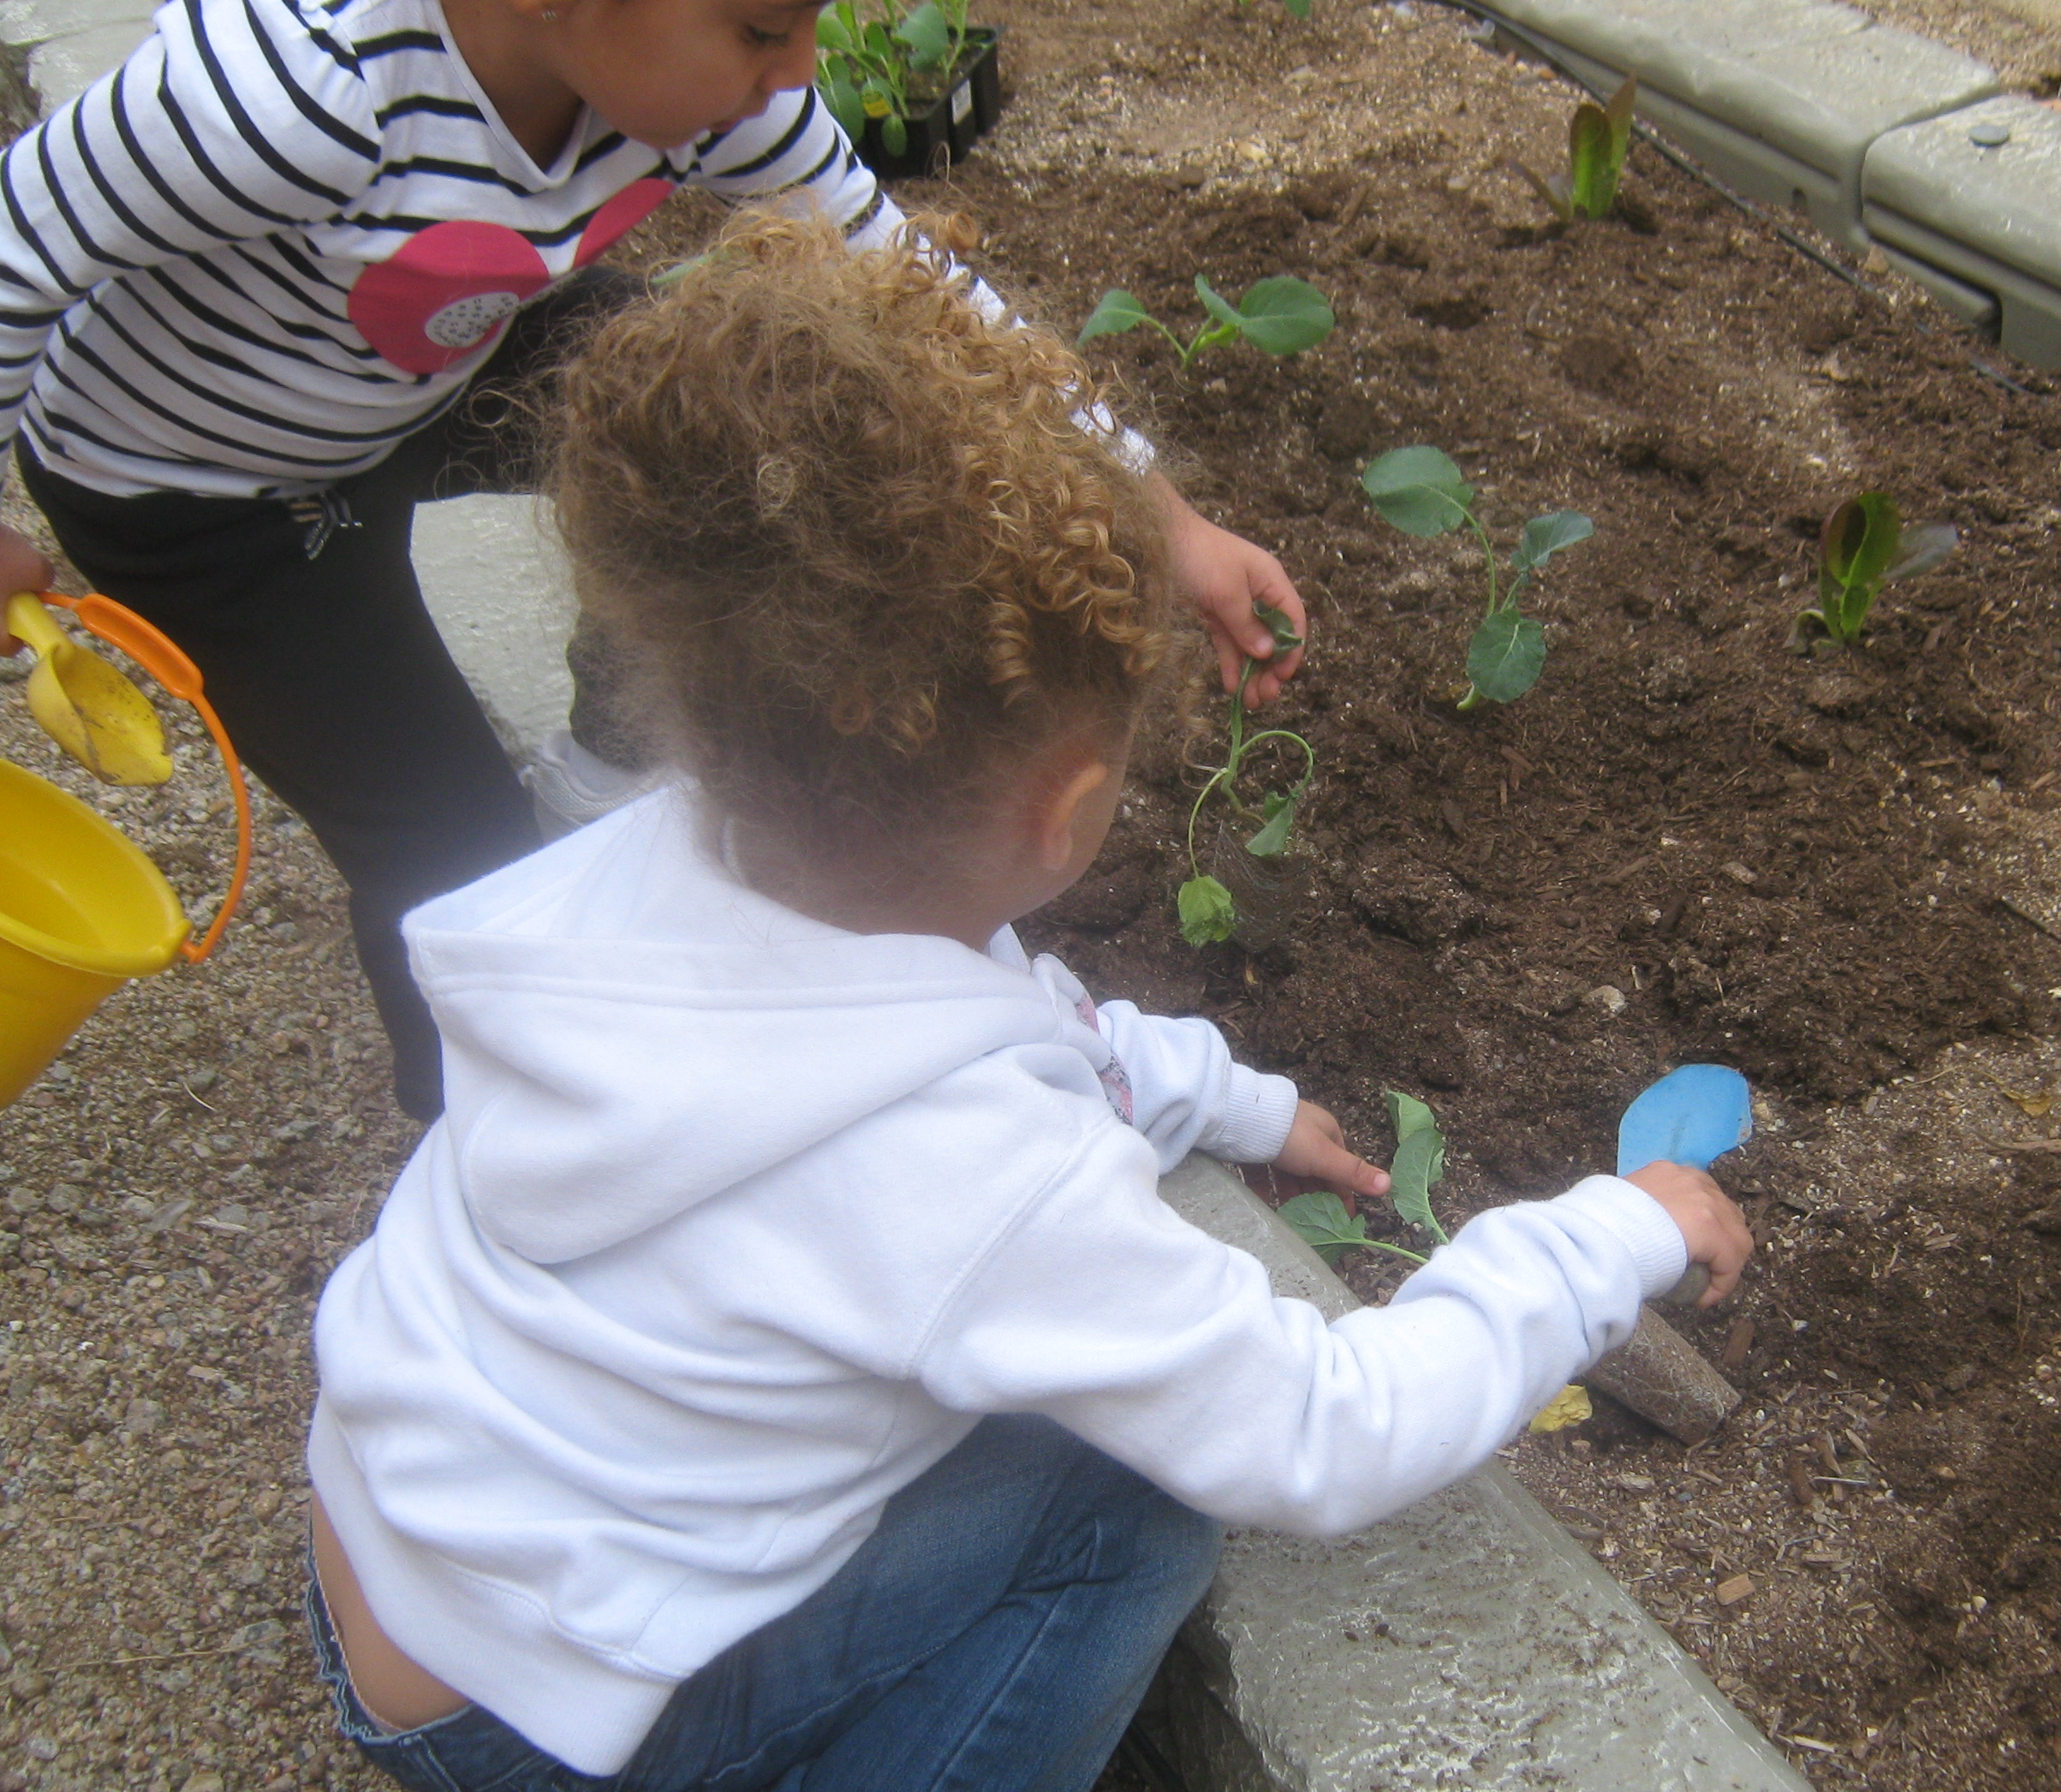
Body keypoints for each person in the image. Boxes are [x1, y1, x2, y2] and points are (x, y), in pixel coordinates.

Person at [301, 216, 1756, 1792]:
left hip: (383, 1564)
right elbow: (1322, 1430)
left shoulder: (640, 879)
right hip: (541, 1727)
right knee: (1118, 1499)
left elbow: (994, 1016)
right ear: (1069, 802)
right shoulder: (978, 1181)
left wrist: (1223, 1100)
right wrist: (1607, 1238)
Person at [0, 0, 1301, 1120]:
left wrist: (1166, 516)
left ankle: (600, 767)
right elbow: (16, 244)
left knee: (743, 430)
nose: (795, 70)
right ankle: (497, 1139)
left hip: (430, 375)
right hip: (204, 491)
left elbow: (903, 267)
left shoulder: (693, 91)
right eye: (758, 27)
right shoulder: (287, 97)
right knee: (445, 842)